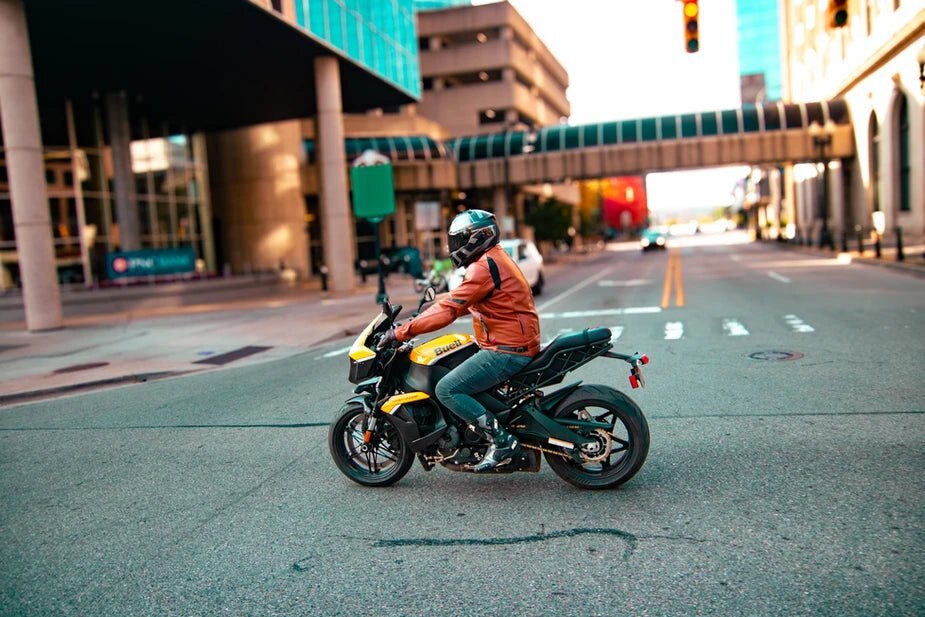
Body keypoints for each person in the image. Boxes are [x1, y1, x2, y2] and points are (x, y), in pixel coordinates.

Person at [381, 210, 541, 472]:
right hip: (511, 342)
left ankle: (501, 442)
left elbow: (450, 310)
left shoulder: (483, 267)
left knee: (447, 389)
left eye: (458, 240)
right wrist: (420, 317)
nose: (454, 247)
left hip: (507, 349)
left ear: (476, 238)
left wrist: (401, 333)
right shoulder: (493, 258)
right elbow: (461, 302)